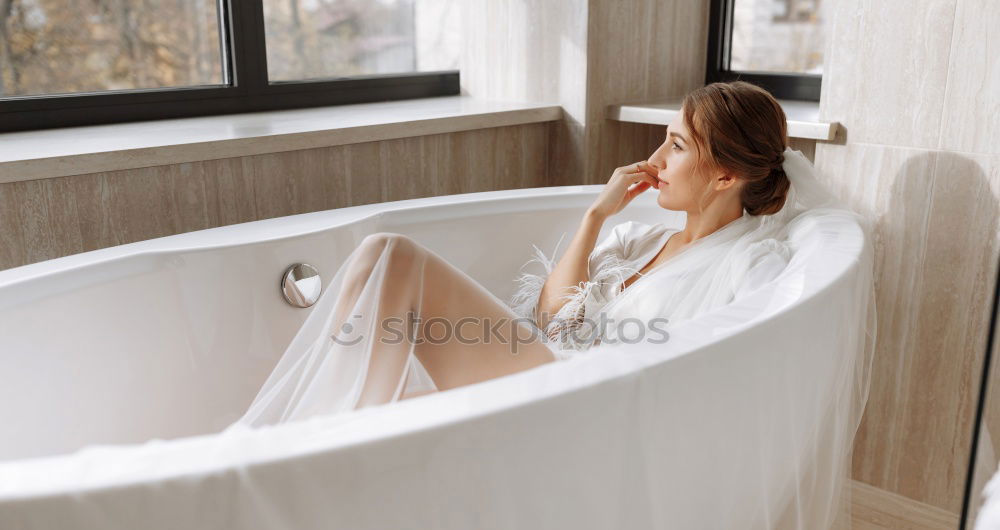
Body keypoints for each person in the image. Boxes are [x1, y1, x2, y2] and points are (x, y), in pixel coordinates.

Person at [234, 81, 839, 428]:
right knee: (378, 269)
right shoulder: (645, 238)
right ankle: (323, 441)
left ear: (725, 176)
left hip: (590, 411)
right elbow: (553, 322)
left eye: (676, 145)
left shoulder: (747, 265)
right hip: (557, 373)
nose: (655, 158)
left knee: (390, 254)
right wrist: (594, 218)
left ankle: (324, 447)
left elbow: (721, 387)